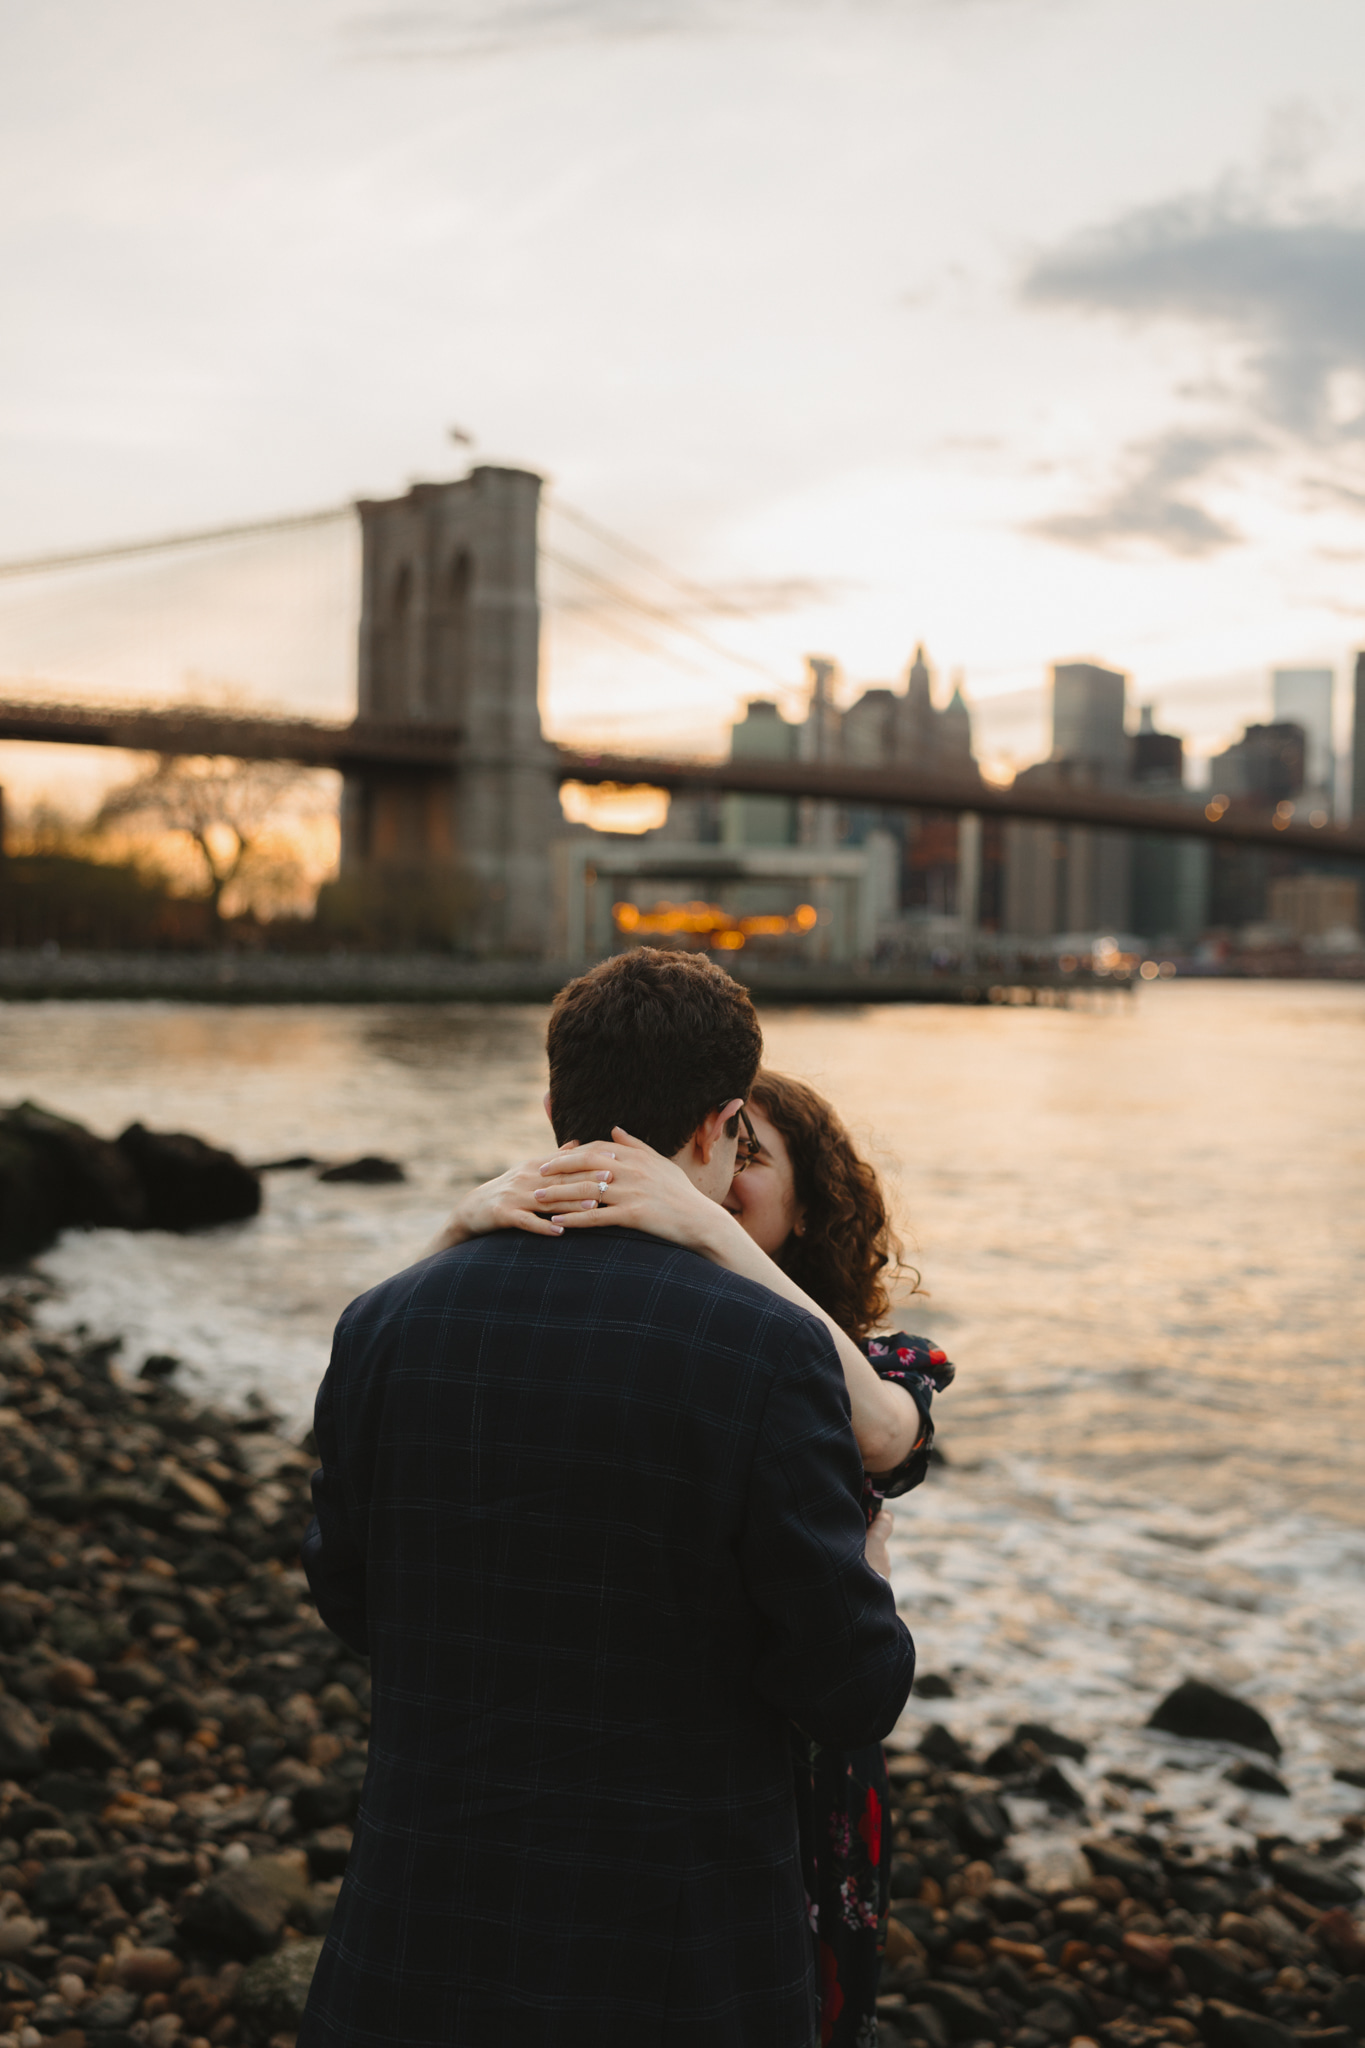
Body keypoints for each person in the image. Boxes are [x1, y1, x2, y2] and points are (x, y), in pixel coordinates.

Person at [299, 949, 916, 2048]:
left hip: (415, 1940)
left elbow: (347, 1593)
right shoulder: (772, 1354)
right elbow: (850, 1684)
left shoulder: (385, 1319)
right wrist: (866, 1552)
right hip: (678, 1961)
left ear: (552, 1105)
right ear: (721, 1126)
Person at [441, 1068, 953, 2048]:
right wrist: (466, 1222)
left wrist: (706, 1229)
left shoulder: (870, 1359)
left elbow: (891, 1436)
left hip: (810, 1749)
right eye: (722, 1150)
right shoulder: (633, 1327)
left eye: (751, 1160)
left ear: (811, 1204)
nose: (711, 1184)